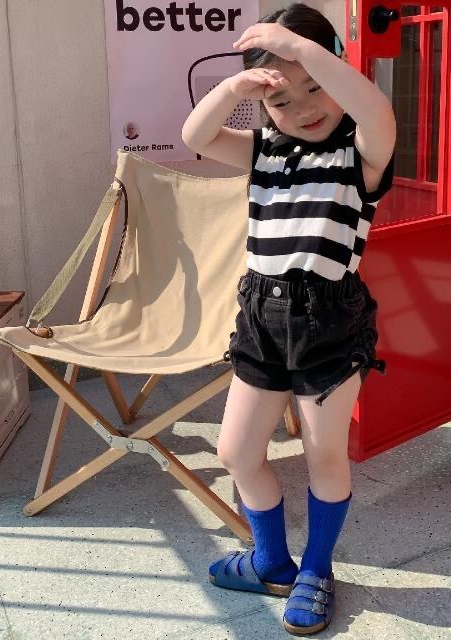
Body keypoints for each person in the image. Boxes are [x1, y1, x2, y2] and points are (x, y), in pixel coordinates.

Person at [181, 3, 395, 636]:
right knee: (236, 450)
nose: (303, 106)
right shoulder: (264, 152)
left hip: (329, 322)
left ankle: (316, 571)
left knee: (324, 452)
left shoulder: (360, 153)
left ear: (335, 71)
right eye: (281, 98)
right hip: (260, 318)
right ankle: (271, 561)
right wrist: (233, 89)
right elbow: (196, 137)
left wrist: (300, 50)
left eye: (315, 84)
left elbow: (377, 112)